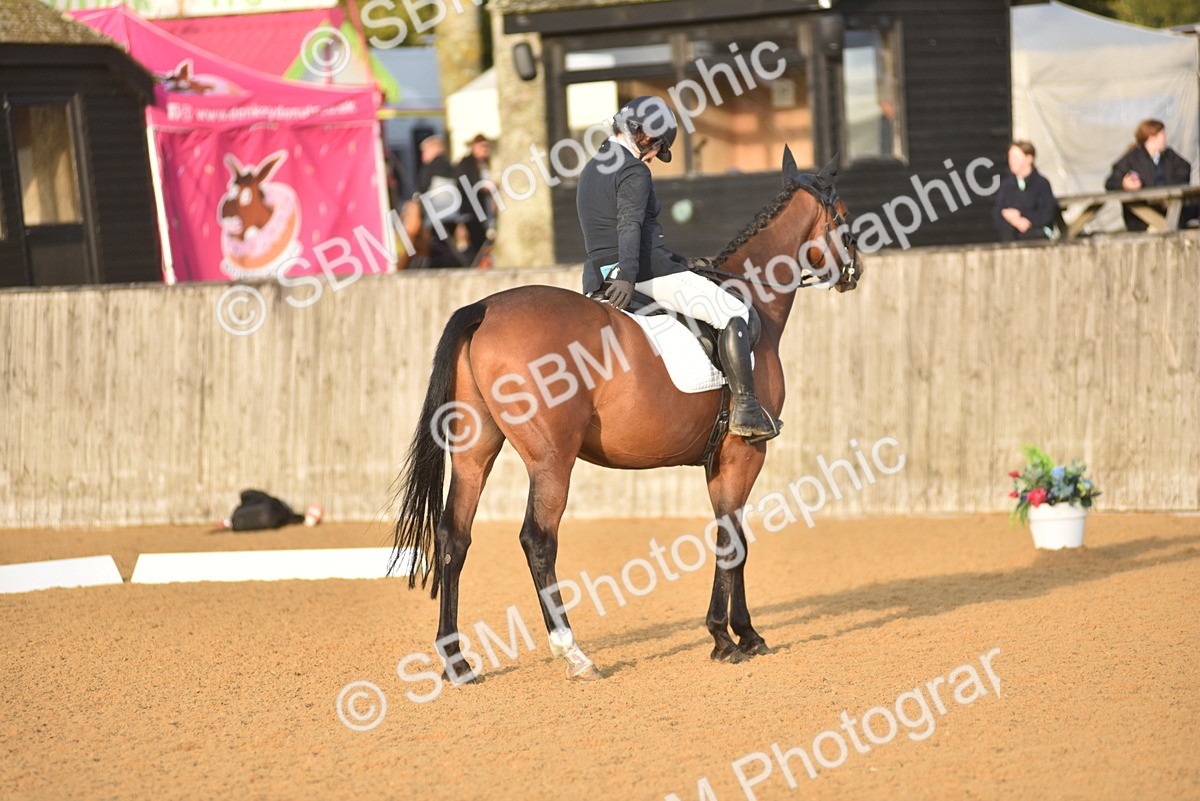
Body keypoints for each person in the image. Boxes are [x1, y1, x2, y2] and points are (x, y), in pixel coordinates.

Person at [574, 95, 775, 438]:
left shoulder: (594, 165)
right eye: (656, 150)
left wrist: (680, 262)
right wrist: (628, 274)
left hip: (599, 274)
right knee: (732, 311)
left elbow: (607, 230)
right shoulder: (633, 169)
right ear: (646, 137)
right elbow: (629, 226)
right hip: (640, 274)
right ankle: (746, 409)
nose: (653, 159)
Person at [1104, 119, 1194, 231]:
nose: (1166, 138)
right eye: (1162, 134)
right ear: (1152, 137)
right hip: (1142, 221)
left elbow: (1185, 171)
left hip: (1171, 214)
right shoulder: (1131, 159)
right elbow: (1110, 183)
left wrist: (1162, 187)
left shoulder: (1169, 155)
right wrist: (1124, 183)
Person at [992, 140, 1057, 242]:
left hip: (1037, 234)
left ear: (1029, 159)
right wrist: (1015, 221)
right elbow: (999, 212)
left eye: (1016, 157)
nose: (1011, 161)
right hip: (1011, 237)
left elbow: (1047, 214)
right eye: (1010, 157)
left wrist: (1022, 216)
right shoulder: (1007, 185)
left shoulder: (1042, 184)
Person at [416, 134, 465, 268]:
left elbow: (421, 190)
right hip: (452, 216)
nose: (423, 156)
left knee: (438, 248)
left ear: (434, 149)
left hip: (435, 217)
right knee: (446, 246)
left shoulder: (430, 168)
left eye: (424, 152)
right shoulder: (450, 167)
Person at [455, 134, 496, 265]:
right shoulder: (466, 164)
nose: (485, 150)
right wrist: (483, 188)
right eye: (482, 146)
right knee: (477, 239)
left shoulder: (484, 164)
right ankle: (473, 263)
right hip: (472, 209)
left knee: (485, 238)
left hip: (484, 208)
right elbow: (466, 185)